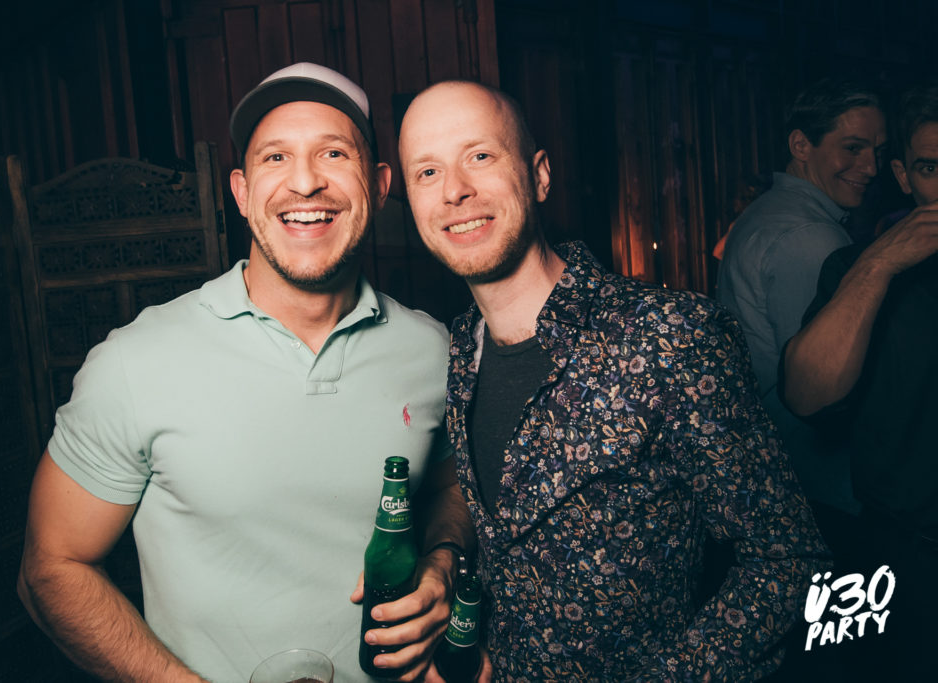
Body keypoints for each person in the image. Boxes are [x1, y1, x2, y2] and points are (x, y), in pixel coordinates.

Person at [17, 62, 474, 683]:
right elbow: (51, 566)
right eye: (275, 158)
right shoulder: (136, 361)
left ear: (379, 182)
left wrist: (443, 558)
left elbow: (454, 485)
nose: (305, 182)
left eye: (334, 153)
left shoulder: (432, 349)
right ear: (240, 191)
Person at [397, 80, 830, 681]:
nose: (454, 190)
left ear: (539, 176)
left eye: (480, 155)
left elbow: (789, 562)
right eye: (427, 172)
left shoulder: (669, 337)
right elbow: (507, 553)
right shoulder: (459, 349)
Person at [781, 83, 938, 678]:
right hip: (901, 558)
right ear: (904, 176)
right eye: (931, 169)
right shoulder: (856, 267)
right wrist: (878, 264)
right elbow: (805, 398)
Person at [715, 79, 886, 522]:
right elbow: (822, 387)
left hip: (783, 474)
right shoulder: (810, 236)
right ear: (801, 145)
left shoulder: (771, 212)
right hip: (815, 483)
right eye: (853, 148)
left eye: (877, 151)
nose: (871, 167)